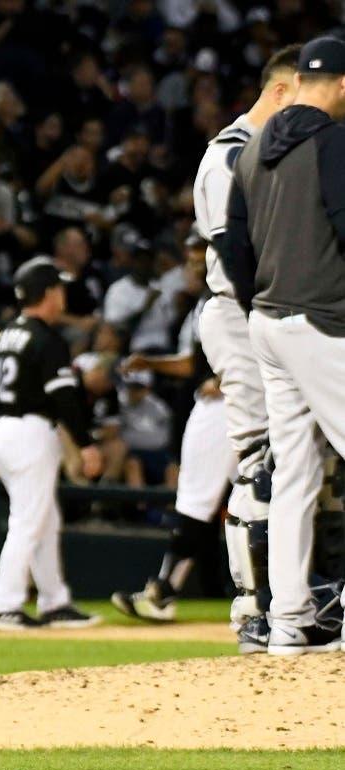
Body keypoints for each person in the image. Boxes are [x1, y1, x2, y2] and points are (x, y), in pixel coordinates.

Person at [224, 37, 345, 655]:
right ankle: (300, 615)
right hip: (324, 319)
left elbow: (230, 249)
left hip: (268, 322)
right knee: (304, 467)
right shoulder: (332, 143)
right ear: (344, 85)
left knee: (295, 471)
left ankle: (291, 619)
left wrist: (257, 306)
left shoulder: (250, 153)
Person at [196, 45, 311, 653]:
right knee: (260, 459)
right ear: (283, 91)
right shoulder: (230, 155)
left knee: (293, 457)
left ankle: (293, 599)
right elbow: (236, 255)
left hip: (274, 312)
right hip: (243, 313)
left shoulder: (279, 153)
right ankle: (254, 609)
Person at [110, 240, 240, 632]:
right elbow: (193, 364)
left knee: (206, 499)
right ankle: (168, 590)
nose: (193, 267)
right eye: (189, 261)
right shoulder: (205, 301)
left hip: (230, 406)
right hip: (236, 401)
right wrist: (150, 361)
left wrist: (228, 376)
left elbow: (250, 344)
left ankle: (168, 591)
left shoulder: (233, 294)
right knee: (251, 498)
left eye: (201, 261)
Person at [0, 258, 104, 631]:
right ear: (48, 293)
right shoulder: (46, 338)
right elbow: (65, 398)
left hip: (7, 430)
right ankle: (5, 604)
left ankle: (54, 602)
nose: (63, 293)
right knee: (28, 521)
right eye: (59, 287)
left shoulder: (7, 334)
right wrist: (85, 444)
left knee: (44, 520)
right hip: (31, 433)